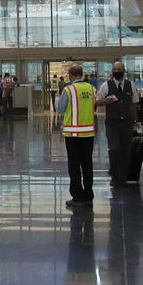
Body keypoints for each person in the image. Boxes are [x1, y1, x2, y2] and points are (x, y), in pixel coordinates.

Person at [55, 68, 98, 207]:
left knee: (74, 165)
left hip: (73, 134)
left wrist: (57, 97)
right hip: (88, 133)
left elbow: (60, 109)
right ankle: (88, 194)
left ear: (71, 76)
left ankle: (77, 196)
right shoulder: (92, 89)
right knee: (87, 164)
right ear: (82, 74)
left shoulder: (69, 90)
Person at [102, 62, 137, 187]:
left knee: (126, 149)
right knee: (114, 148)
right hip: (112, 122)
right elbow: (97, 101)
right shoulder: (106, 85)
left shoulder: (130, 85)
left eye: (119, 69)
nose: (117, 71)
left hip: (127, 123)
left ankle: (123, 176)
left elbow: (134, 103)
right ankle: (115, 175)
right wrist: (106, 100)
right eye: (115, 69)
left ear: (124, 70)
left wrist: (135, 121)